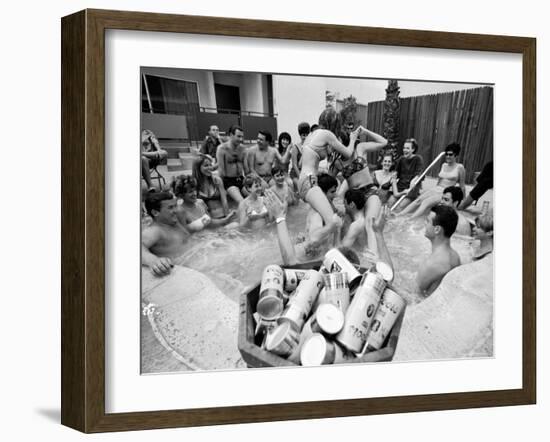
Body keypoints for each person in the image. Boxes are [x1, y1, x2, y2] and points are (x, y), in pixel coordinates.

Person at [373, 204, 461, 296]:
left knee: (385, 278)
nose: (424, 224)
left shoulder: (432, 264)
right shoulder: (455, 256)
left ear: (437, 229)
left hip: (421, 305)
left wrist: (378, 232)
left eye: (427, 221)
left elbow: (413, 297)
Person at [298, 108, 360, 234]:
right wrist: (353, 138)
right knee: (333, 222)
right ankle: (334, 249)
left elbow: (301, 163)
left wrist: (317, 170)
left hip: (303, 181)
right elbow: (348, 153)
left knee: (316, 215)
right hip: (310, 182)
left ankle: (304, 238)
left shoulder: (312, 135)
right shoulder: (327, 134)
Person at [399, 142, 466, 219]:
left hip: (446, 192)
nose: (447, 156)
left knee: (425, 202)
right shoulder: (443, 165)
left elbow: (462, 186)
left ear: (456, 155)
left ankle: (409, 219)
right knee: (418, 200)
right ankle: (400, 215)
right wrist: (432, 192)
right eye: (446, 154)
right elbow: (439, 181)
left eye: (450, 154)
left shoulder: (460, 167)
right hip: (437, 188)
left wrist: (463, 201)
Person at [141, 192, 190, 276]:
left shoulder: (172, 221)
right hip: (183, 270)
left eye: (175, 206)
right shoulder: (155, 231)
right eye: (170, 207)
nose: (176, 210)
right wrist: (153, 260)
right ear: (155, 213)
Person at [388, 138, 424, 212]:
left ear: (413, 149)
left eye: (407, 148)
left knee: (399, 207)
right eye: (404, 148)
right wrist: (393, 177)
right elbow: (395, 173)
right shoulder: (401, 159)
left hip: (410, 190)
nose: (404, 150)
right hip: (400, 188)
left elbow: (419, 174)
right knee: (390, 202)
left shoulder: (418, 159)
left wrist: (414, 180)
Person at [216, 125, 247, 204]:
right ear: (231, 135)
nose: (241, 139)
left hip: (241, 179)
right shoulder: (222, 149)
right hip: (229, 181)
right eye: (238, 136)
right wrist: (221, 189)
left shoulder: (243, 149)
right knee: (242, 202)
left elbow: (246, 169)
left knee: (256, 197)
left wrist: (250, 182)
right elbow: (221, 170)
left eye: (242, 137)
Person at [290, 122, 310, 191]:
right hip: (296, 173)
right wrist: (300, 177)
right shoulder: (296, 147)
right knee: (301, 186)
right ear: (300, 136)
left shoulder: (310, 146)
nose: (305, 137)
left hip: (306, 172)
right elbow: (294, 165)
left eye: (307, 135)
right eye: (303, 135)